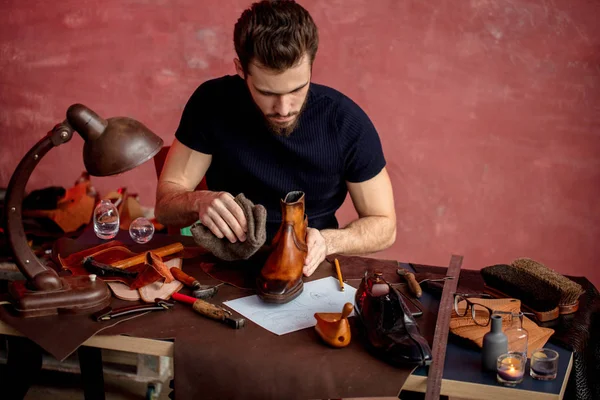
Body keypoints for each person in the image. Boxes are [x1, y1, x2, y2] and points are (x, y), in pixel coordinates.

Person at [155, 0, 396, 276]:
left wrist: (329, 240)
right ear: (240, 69)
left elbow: (384, 226)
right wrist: (199, 201)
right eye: (267, 92)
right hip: (228, 264)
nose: (283, 109)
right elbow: (164, 206)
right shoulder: (212, 103)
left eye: (297, 89)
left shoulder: (345, 122)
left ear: (311, 68)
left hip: (310, 264)